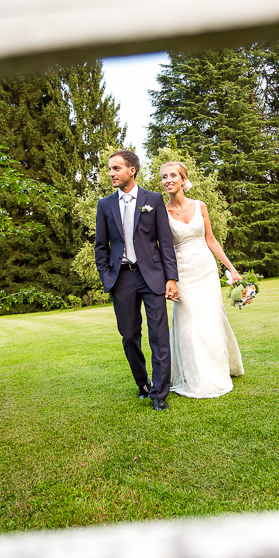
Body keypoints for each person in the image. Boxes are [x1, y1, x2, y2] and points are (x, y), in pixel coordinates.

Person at [95, 150, 179, 411]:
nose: (111, 174)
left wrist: (171, 278)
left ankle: (159, 394)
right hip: (121, 279)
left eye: (116, 168)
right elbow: (101, 247)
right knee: (130, 336)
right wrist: (106, 275)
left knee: (158, 337)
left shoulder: (153, 200)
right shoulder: (105, 204)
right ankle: (142, 384)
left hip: (152, 277)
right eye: (110, 169)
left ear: (132, 170)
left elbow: (165, 243)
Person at [161, 161, 244, 398]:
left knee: (211, 321)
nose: (168, 180)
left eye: (173, 175)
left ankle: (219, 371)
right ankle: (196, 376)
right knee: (190, 325)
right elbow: (163, 249)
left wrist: (232, 269)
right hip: (182, 273)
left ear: (184, 179)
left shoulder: (200, 206)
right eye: (164, 176)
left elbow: (211, 241)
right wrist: (170, 279)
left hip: (206, 270)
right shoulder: (161, 211)